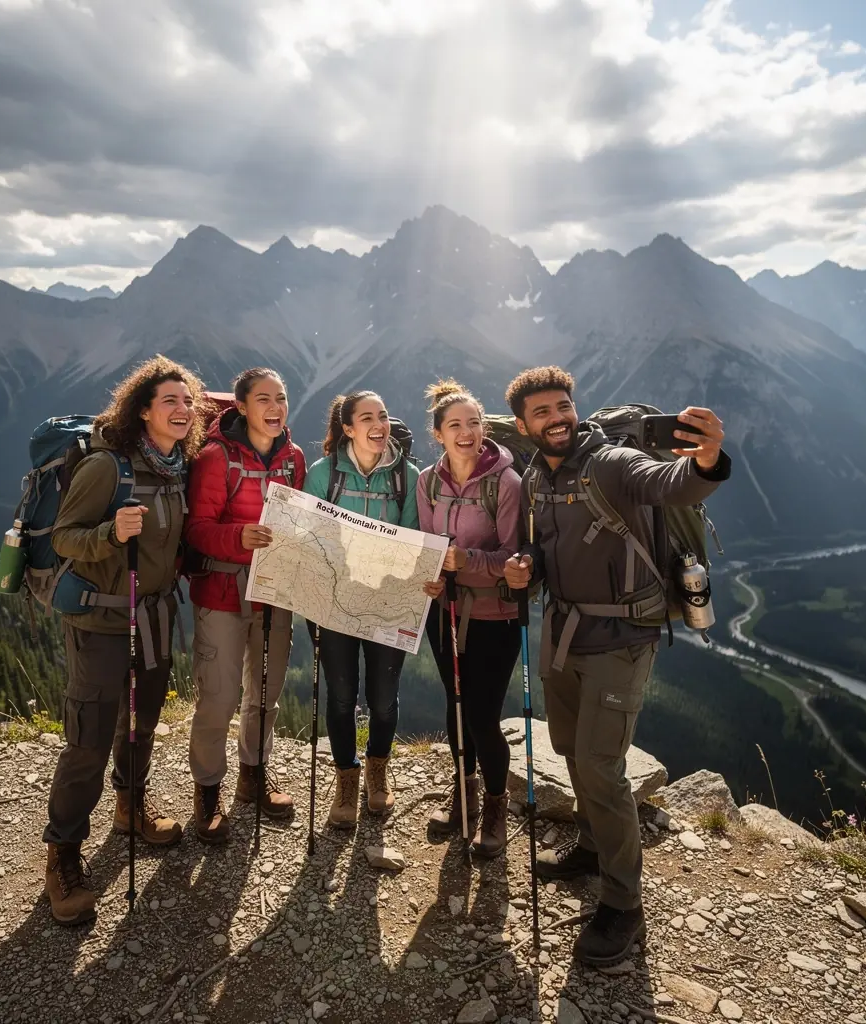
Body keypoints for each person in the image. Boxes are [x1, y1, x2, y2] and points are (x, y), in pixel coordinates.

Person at [502, 366, 730, 965]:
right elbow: (547, 554)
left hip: (623, 636)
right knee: (572, 751)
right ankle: (589, 843)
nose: (557, 418)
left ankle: (624, 905)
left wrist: (704, 461)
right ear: (524, 426)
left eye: (563, 406)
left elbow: (667, 484)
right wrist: (527, 571)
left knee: (602, 766)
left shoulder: (608, 463)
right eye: (542, 412)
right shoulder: (535, 478)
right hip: (565, 634)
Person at [43, 355, 205, 926]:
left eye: (189, 401)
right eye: (170, 401)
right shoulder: (109, 468)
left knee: (141, 722)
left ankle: (129, 807)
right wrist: (112, 533)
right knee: (89, 737)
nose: (183, 409)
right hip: (101, 621)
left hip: (156, 618)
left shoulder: (178, 468)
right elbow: (65, 538)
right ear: (142, 410)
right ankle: (63, 853)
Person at [185, 367, 306, 844]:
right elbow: (195, 529)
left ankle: (253, 776)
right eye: (263, 399)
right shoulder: (217, 458)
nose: (275, 407)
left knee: (265, 693)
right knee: (218, 697)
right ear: (240, 407)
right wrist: (239, 537)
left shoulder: (293, 458)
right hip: (222, 590)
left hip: (274, 592)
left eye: (281, 397)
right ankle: (208, 794)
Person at [302, 391, 419, 827]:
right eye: (367, 417)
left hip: (387, 602)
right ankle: (347, 778)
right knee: (341, 695)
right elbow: (310, 537)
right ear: (347, 428)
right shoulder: (324, 473)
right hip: (335, 602)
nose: (379, 423)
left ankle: (377, 773)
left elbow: (411, 537)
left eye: (384, 416)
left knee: (384, 699)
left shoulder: (407, 476)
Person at [418, 380, 522, 859]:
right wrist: (436, 575)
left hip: (495, 617)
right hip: (447, 613)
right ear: (438, 433)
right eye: (455, 425)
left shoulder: (506, 483)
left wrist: (466, 563)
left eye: (474, 423)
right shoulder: (427, 482)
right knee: (455, 709)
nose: (467, 432)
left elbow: (515, 557)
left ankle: (495, 809)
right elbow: (427, 546)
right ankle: (465, 794)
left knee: (482, 717)